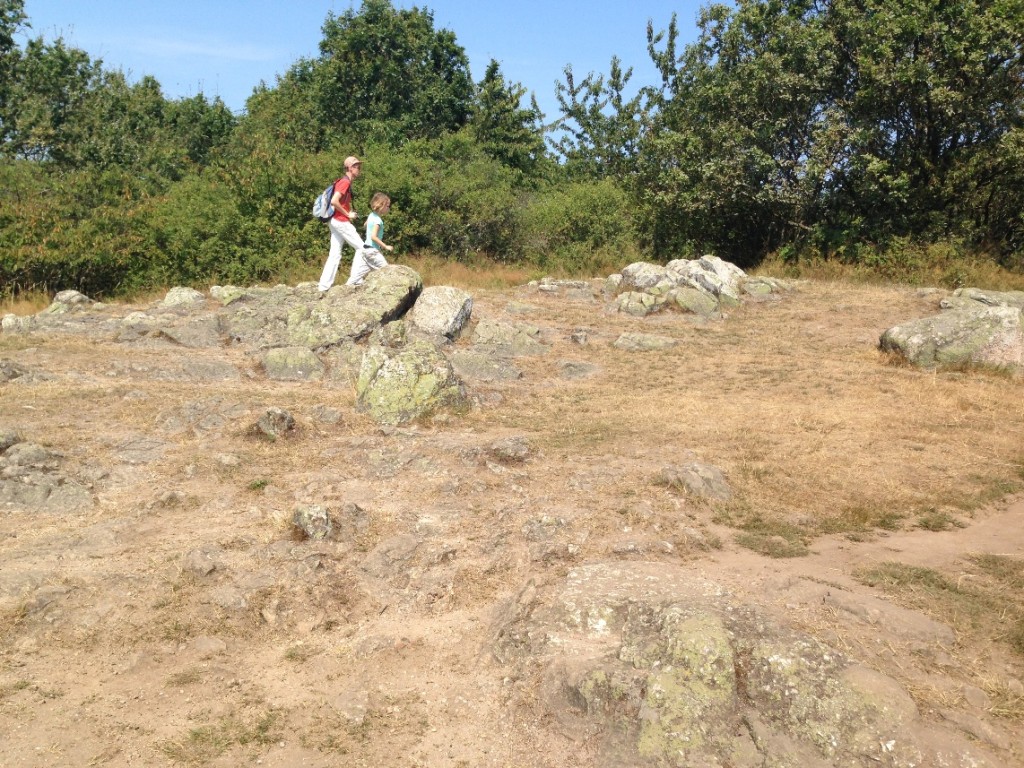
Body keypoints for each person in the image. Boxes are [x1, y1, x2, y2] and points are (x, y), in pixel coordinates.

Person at [317, 156, 364, 292]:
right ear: (349, 168)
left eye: (359, 166)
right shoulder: (345, 182)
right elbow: (334, 201)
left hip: (335, 221)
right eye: (356, 166)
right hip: (340, 221)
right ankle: (354, 281)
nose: (359, 169)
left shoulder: (344, 182)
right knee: (362, 248)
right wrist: (348, 214)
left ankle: (323, 286)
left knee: (335, 254)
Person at [346, 192, 394, 286]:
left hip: (366, 250)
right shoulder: (378, 221)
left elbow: (365, 225)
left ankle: (344, 288)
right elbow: (373, 237)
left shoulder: (371, 215)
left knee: (356, 277)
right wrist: (385, 246)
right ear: (381, 206)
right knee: (387, 271)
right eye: (387, 206)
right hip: (372, 251)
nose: (389, 208)